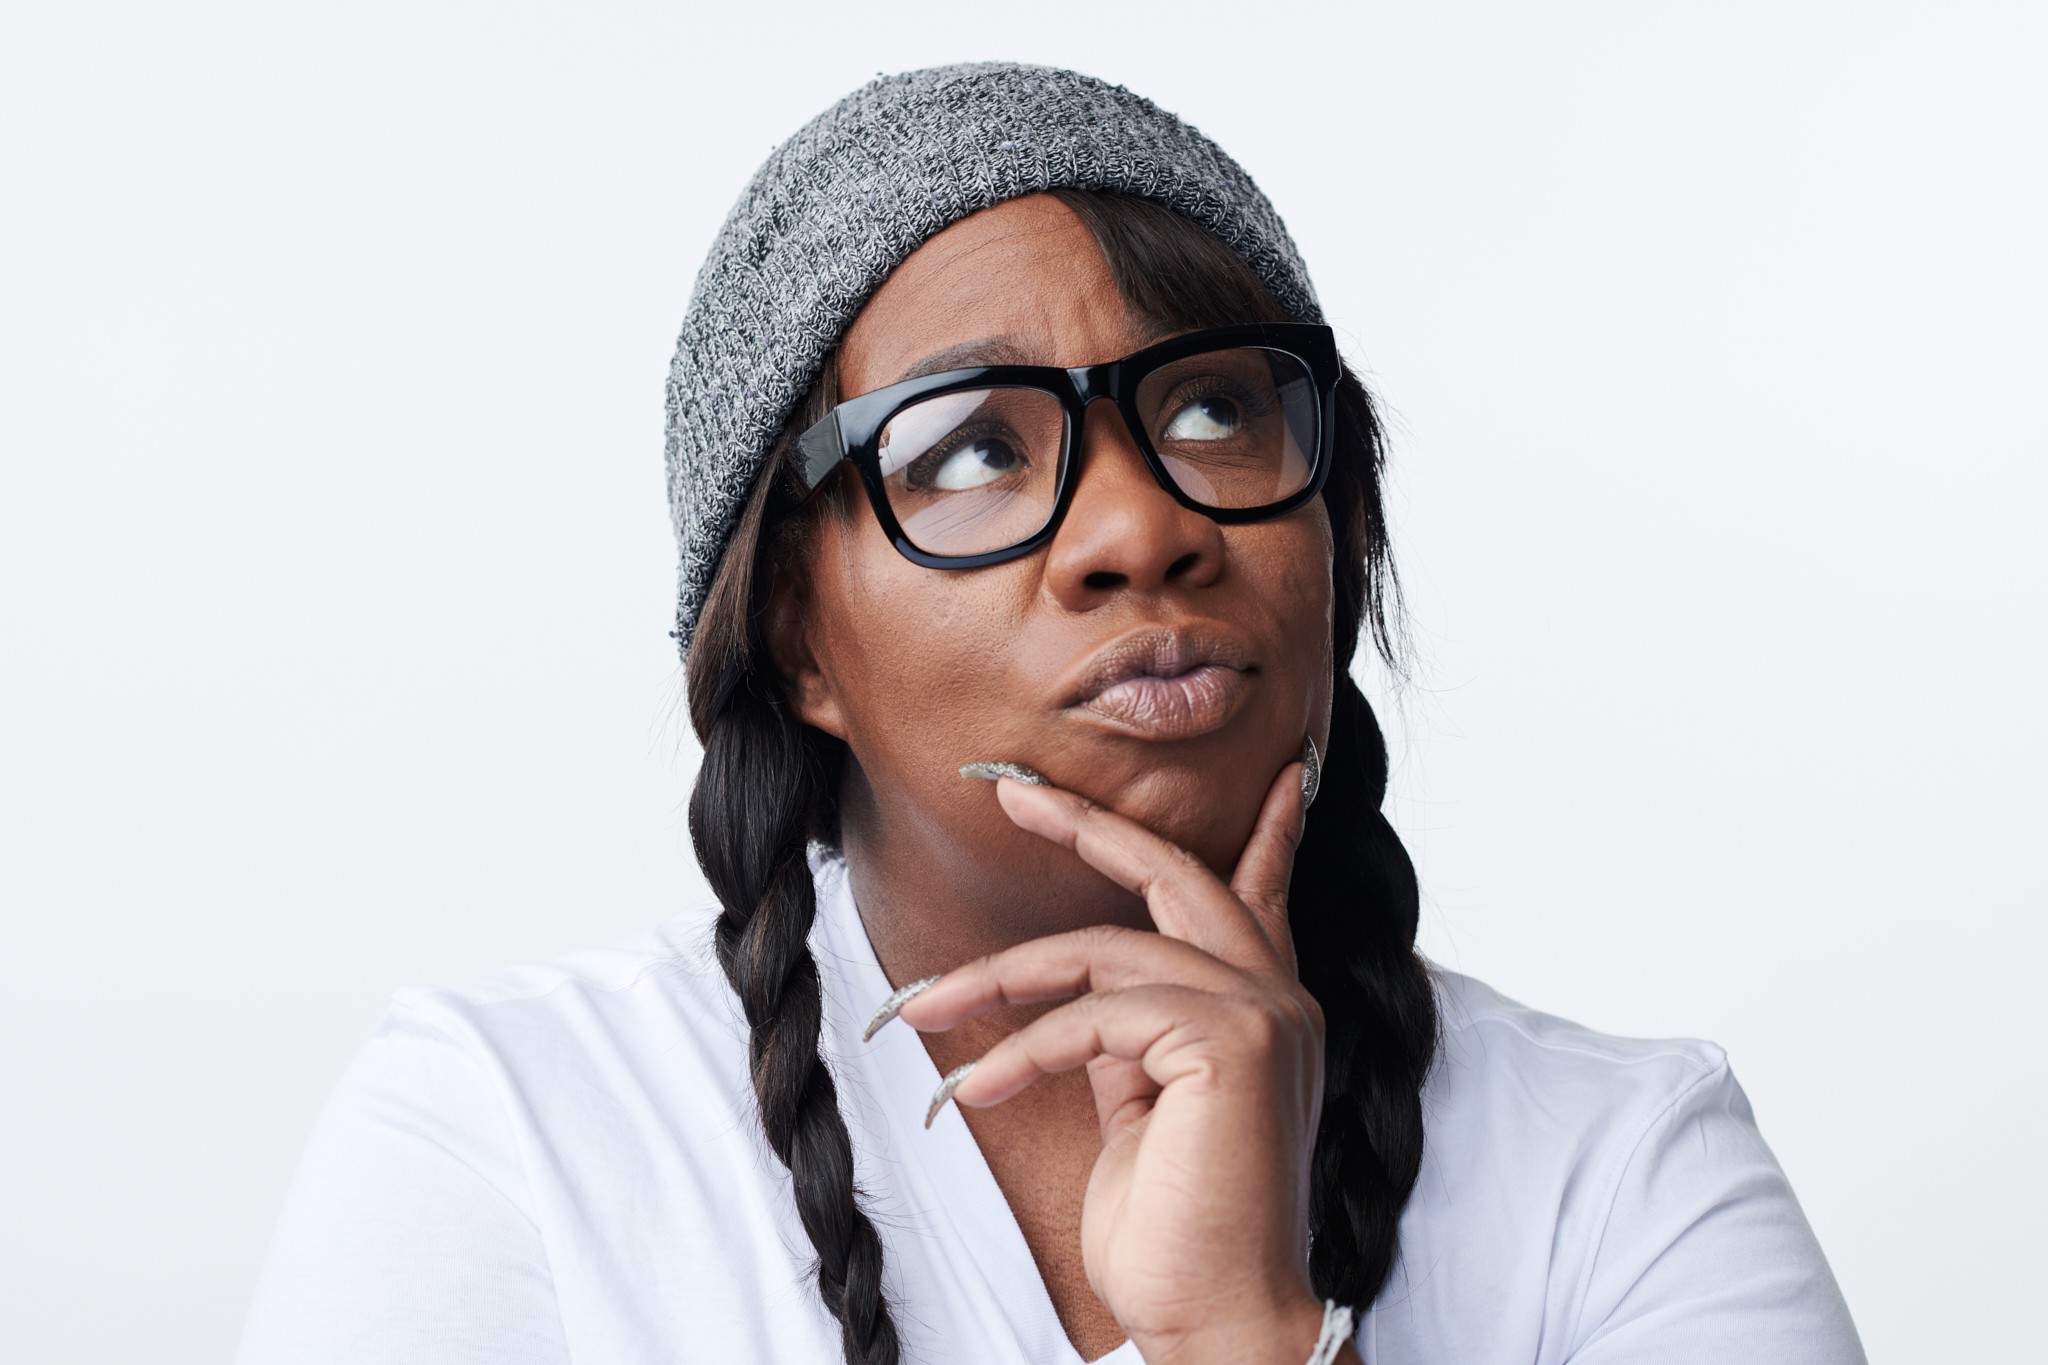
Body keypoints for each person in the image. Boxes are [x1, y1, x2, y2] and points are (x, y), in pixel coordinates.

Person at [237, 62, 1866, 1365]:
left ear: (1341, 527)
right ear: (795, 635)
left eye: (1215, 408)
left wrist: (1246, 1330)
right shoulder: (507, 1139)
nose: (1141, 527)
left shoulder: (1626, 1174)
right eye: (971, 449)